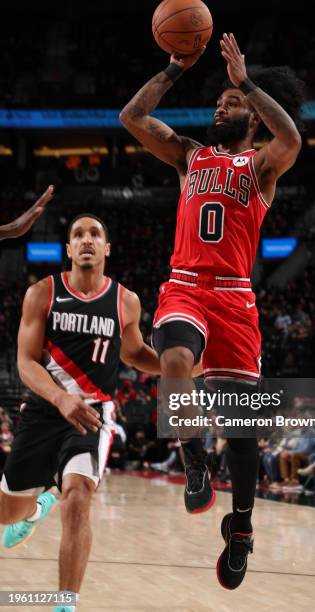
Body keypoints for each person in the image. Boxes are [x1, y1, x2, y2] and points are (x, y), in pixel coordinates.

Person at [120, 32, 305, 589]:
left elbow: (290, 136)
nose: (219, 106)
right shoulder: (189, 154)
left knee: (244, 429)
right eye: (220, 100)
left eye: (230, 103)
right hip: (185, 284)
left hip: (235, 296)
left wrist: (246, 81)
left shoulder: (262, 167)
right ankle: (195, 459)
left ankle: (242, 529)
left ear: (251, 116)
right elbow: (132, 116)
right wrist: (175, 67)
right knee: (174, 356)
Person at [0, 213, 160, 612]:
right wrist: (59, 399)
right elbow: (26, 363)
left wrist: (187, 365)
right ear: (68, 249)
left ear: (106, 248)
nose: (86, 239)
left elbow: (136, 353)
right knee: (6, 516)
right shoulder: (42, 294)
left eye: (95, 234)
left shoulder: (126, 301)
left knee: (78, 496)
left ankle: (65, 604)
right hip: (43, 411)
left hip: (92, 413)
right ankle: (37, 507)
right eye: (77, 234)